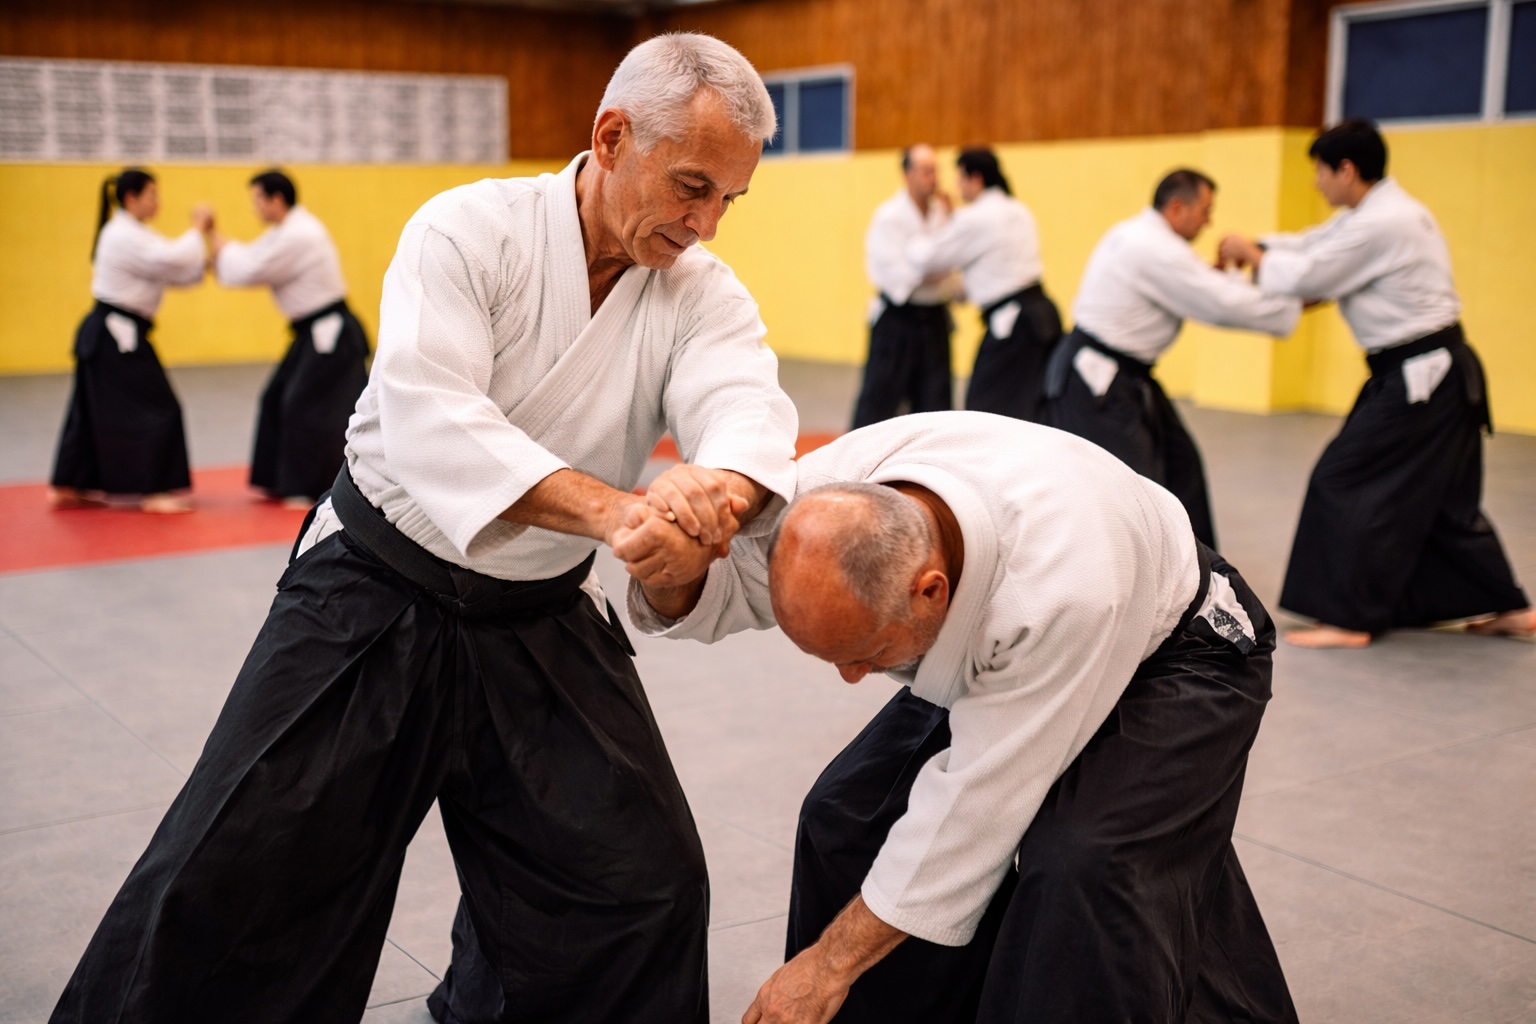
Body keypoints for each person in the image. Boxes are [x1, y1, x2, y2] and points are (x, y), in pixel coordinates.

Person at [49, 33, 798, 1024]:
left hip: (538, 614)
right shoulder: (468, 231)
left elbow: (740, 399)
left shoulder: (701, 293)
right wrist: (620, 511)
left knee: (638, 887)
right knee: (238, 880)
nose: (705, 224)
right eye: (692, 185)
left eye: (728, 201)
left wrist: (719, 490)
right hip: (375, 591)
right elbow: (433, 416)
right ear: (611, 135)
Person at [622, 411, 1296, 1024]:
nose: (853, 677)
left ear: (930, 590)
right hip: (1023, 652)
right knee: (847, 817)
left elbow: (977, 812)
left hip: (1183, 652)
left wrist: (827, 968)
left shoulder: (1058, 585)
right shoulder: (828, 497)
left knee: (1084, 866)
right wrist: (667, 569)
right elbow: (725, 586)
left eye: (866, 653)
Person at [1218, 120, 1534, 648]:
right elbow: (1313, 245)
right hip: (1431, 375)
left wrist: (1250, 255)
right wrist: (1258, 245)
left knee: (1345, 479)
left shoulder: (1384, 223)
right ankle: (1511, 608)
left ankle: (1350, 618)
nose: (1317, 183)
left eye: (1320, 171)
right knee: (1444, 504)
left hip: (1423, 377)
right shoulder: (1375, 214)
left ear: (1347, 170)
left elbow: (1309, 276)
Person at [1045, 169, 1301, 548]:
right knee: (1130, 493)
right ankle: (1137, 585)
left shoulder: (1144, 237)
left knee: (1180, 470)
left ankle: (1192, 576)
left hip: (1123, 375)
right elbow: (1219, 302)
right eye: (1206, 210)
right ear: (1177, 208)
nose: (1209, 221)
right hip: (1099, 381)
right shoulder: (1152, 249)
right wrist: (1305, 298)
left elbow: (1202, 284)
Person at [49, 168, 210, 514]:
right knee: (158, 407)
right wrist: (197, 228)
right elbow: (173, 258)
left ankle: (68, 484)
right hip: (115, 334)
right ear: (130, 198)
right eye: (152, 194)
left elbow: (174, 269)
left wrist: (203, 263)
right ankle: (153, 490)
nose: (158, 201)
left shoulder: (134, 234)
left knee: (88, 411)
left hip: (108, 333)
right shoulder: (123, 234)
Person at [208, 168, 371, 505]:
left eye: (257, 200)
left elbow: (248, 268)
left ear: (275, 199)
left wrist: (212, 240)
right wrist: (215, 239)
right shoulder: (286, 230)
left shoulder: (299, 234)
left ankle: (311, 485)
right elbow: (248, 257)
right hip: (311, 333)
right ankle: (279, 480)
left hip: (330, 334)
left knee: (305, 407)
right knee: (277, 397)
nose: (254, 208)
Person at [907, 148, 1061, 422]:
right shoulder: (1017, 209)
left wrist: (937, 223)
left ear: (976, 179)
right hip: (1042, 315)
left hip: (1013, 324)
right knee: (1031, 407)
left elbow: (926, 258)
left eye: (960, 178)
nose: (955, 185)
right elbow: (994, 265)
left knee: (984, 407)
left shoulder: (976, 217)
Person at [850, 144, 959, 428]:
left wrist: (933, 253)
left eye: (935, 171)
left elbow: (951, 263)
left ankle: (929, 469)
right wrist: (932, 265)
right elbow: (899, 274)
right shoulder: (889, 216)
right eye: (925, 171)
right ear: (907, 174)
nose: (932, 178)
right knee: (879, 402)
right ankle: (861, 468)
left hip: (934, 317)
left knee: (935, 404)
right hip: (897, 319)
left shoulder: (943, 214)